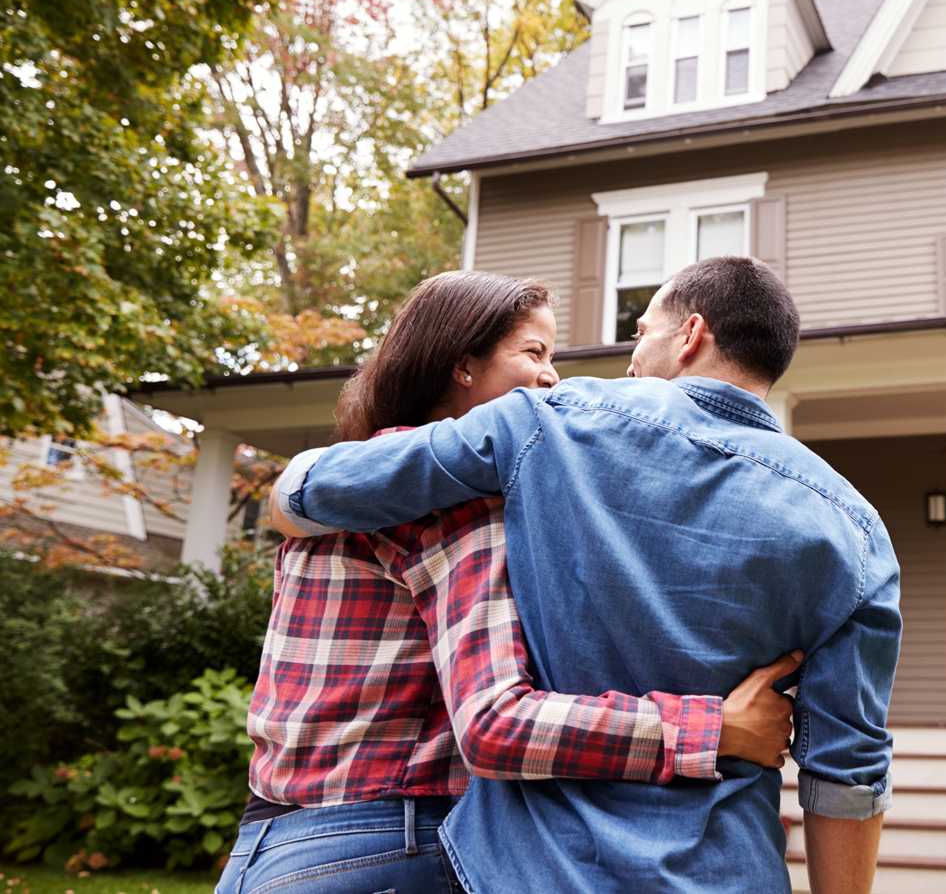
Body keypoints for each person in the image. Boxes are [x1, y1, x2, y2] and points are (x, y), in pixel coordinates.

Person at [272, 257, 901, 894]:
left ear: (689, 335)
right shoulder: (855, 527)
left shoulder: (547, 421)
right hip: (726, 873)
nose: (631, 354)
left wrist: (290, 492)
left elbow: (322, 488)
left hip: (532, 871)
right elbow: (848, 770)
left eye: (641, 332)